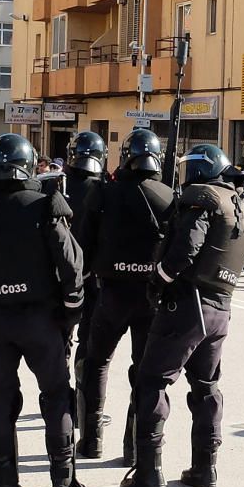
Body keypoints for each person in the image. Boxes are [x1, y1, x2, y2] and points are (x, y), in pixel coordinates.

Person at [121, 144, 244, 487]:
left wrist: (159, 277)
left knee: (152, 382)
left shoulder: (203, 198)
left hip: (187, 303)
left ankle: (148, 472)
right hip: (220, 307)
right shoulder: (238, 204)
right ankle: (204, 469)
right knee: (206, 387)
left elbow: (187, 248)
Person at [0, 133, 86, 487]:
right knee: (55, 397)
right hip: (40, 320)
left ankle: (3, 482)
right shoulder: (44, 204)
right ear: (29, 165)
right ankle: (62, 484)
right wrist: (70, 315)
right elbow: (72, 267)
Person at [75, 130, 174, 465]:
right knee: (144, 371)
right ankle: (134, 447)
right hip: (151, 297)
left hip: (111, 293)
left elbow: (82, 245)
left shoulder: (103, 193)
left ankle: (91, 441)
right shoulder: (168, 197)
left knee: (96, 363)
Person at [63, 130, 108, 432]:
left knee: (60, 342)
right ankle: (83, 404)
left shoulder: (57, 186)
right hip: (92, 279)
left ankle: (62, 400)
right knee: (89, 346)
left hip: (59, 277)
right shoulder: (105, 191)